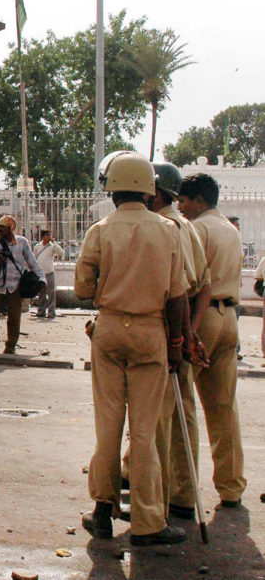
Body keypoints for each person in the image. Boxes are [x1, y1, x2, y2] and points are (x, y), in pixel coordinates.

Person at [77, 151, 189, 546]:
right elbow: (178, 297)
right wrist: (176, 345)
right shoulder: (169, 230)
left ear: (112, 191)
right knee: (144, 432)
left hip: (108, 330)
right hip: (151, 332)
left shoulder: (100, 230)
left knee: (108, 428)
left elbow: (82, 289)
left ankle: (102, 512)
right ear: (149, 190)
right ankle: (148, 521)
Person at [119, 162, 211, 520]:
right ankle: (182, 495)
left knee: (155, 421)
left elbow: (178, 292)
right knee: (181, 413)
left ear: (155, 193)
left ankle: (152, 505)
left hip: (162, 330)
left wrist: (179, 337)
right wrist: (191, 334)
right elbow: (202, 284)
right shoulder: (186, 226)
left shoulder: (165, 226)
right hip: (179, 328)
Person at [178, 172, 246, 509]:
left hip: (202, 318)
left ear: (198, 200)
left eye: (184, 200)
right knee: (223, 406)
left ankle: (174, 485)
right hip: (229, 317)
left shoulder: (197, 229)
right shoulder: (230, 231)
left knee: (178, 399)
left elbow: (190, 280)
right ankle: (231, 486)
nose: (181, 207)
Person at [0, 215, 44, 358]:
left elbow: (32, 262)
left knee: (14, 318)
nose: (0, 231)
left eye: (3, 228)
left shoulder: (22, 243)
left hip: (15, 286)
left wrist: (42, 278)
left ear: (11, 229)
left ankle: (10, 347)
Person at [33, 229, 64, 319]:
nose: (49, 237)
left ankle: (51, 312)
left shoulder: (52, 246)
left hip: (49, 272)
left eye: (50, 235)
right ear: (43, 236)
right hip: (40, 273)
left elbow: (61, 253)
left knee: (51, 293)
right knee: (41, 292)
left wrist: (55, 243)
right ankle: (41, 310)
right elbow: (34, 259)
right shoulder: (37, 246)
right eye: (47, 235)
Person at [227, 215, 243, 359]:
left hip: (235, 290)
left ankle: (236, 349)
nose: (236, 230)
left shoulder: (237, 243)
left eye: (238, 228)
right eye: (235, 226)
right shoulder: (225, 242)